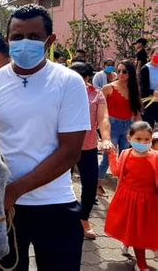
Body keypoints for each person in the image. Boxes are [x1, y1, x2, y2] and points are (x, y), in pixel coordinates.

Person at [0, 4, 90, 271]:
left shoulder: (68, 82)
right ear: (7, 41)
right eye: (17, 37)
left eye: (34, 37)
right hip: (4, 210)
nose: (24, 43)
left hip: (55, 205)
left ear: (50, 40)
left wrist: (15, 191)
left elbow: (70, 152)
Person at [104, 121, 158, 271]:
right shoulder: (126, 154)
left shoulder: (156, 157)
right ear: (129, 138)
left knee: (141, 230)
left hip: (148, 202)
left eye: (147, 139)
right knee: (136, 232)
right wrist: (111, 154)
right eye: (138, 139)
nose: (143, 142)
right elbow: (116, 171)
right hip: (128, 200)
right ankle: (141, 263)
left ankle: (128, 243)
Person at [70, 62, 113, 240]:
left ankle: (83, 219)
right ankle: (61, 218)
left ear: (88, 77)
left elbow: (103, 118)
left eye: (79, 77)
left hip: (87, 147)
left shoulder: (96, 95)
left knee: (89, 186)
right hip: (62, 148)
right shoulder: (60, 92)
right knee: (59, 185)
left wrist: (106, 138)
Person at [98, 60, 142, 196]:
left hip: (128, 126)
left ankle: (121, 187)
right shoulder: (108, 88)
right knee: (108, 156)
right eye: (119, 71)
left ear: (131, 73)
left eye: (125, 71)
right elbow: (99, 109)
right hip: (112, 125)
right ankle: (97, 183)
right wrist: (98, 130)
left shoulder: (134, 89)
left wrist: (140, 129)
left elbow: (136, 112)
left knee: (126, 157)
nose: (121, 74)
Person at [139, 45, 158, 128]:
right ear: (151, 55)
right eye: (156, 54)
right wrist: (153, 92)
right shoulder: (145, 69)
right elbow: (142, 88)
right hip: (149, 102)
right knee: (149, 127)